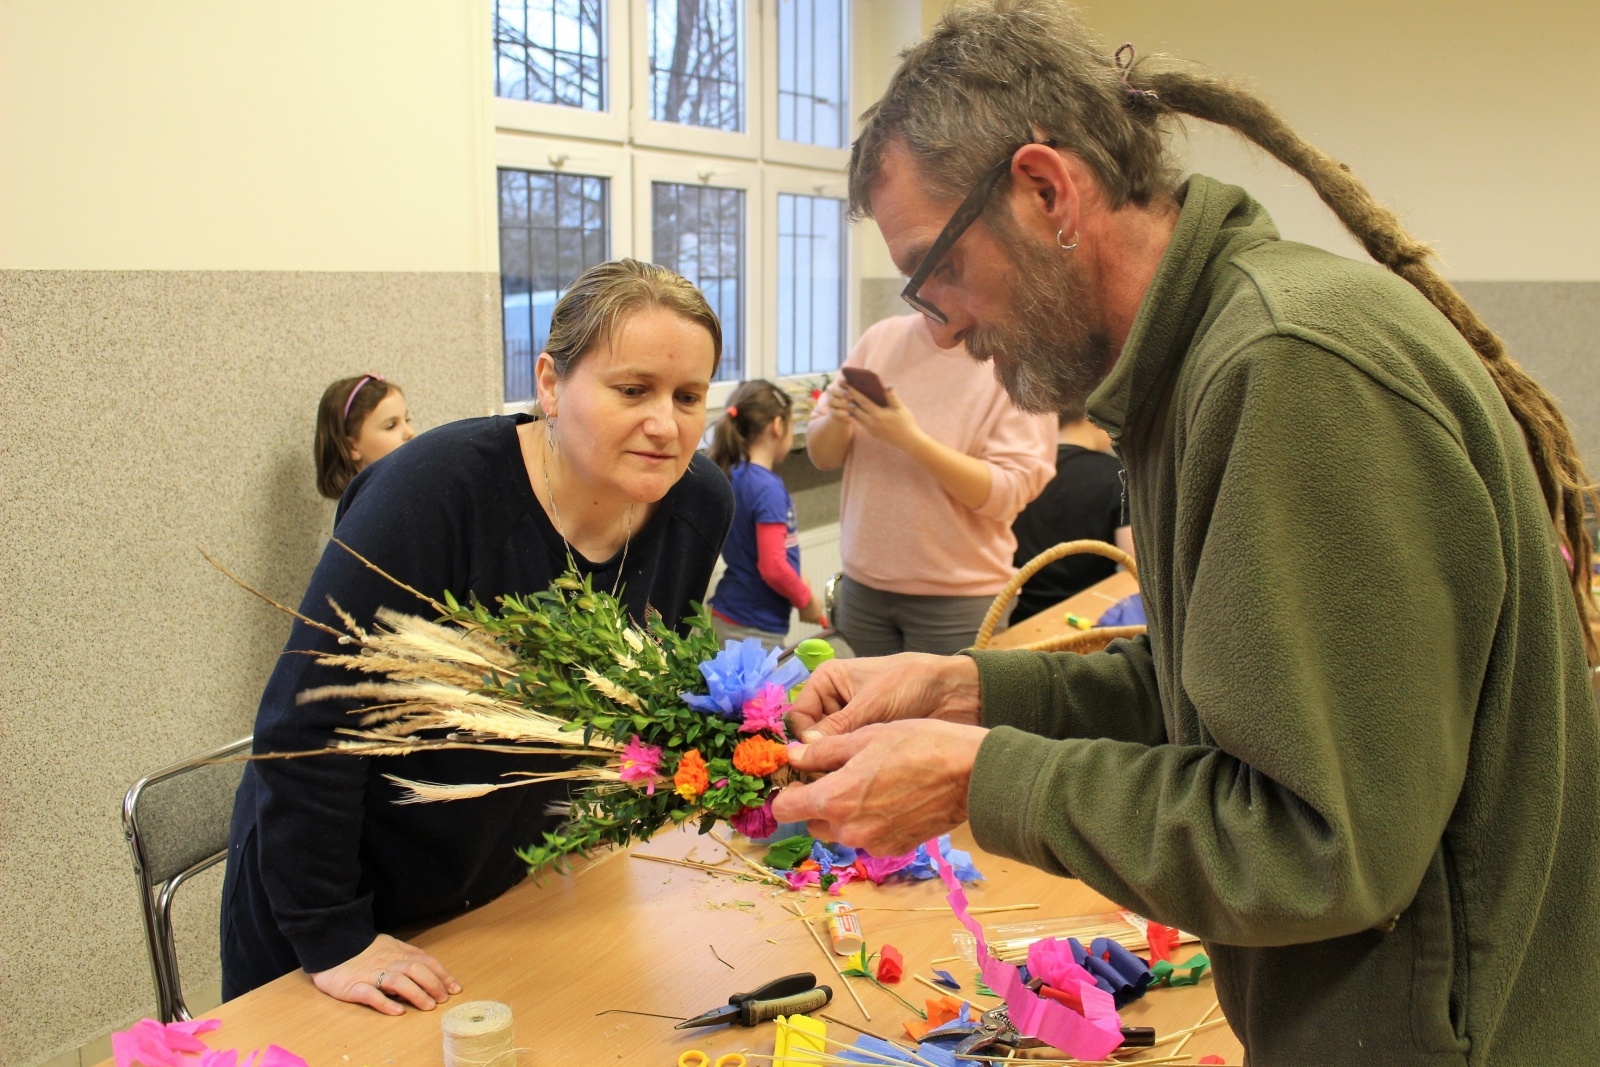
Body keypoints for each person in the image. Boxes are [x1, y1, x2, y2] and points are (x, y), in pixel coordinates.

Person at [771, 3, 1600, 1065]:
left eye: (941, 273)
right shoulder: (1195, 364)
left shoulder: (1287, 367)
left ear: (1044, 191)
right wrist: (970, 691)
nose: (945, 328)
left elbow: (1316, 845)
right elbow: (1223, 696)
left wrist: (979, 779)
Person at [223, 260, 734, 1014]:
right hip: (333, 906)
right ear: (551, 384)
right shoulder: (430, 494)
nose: (666, 424)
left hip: (497, 889)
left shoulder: (698, 503)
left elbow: (638, 689)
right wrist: (333, 935)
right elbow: (309, 724)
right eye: (633, 390)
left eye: (688, 396)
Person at [806, 314, 1055, 655]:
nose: (923, 293)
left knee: (948, 693)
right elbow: (823, 457)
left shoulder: (1019, 356)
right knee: (863, 691)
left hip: (959, 597)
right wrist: (837, 416)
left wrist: (911, 440)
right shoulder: (881, 337)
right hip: (863, 586)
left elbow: (1010, 493)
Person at [707, 379, 827, 646]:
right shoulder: (767, 488)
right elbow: (773, 567)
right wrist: (806, 601)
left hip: (729, 614)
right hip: (754, 626)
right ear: (777, 425)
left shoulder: (733, 475)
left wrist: (801, 582)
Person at [1009, 398, 1133, 621]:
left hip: (1015, 614)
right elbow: (1133, 562)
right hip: (1088, 619)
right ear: (1096, 418)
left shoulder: (1021, 471)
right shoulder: (1117, 476)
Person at [314, 374, 416, 499]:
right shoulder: (368, 508)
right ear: (351, 447)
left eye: (407, 420)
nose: (410, 432)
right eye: (390, 426)